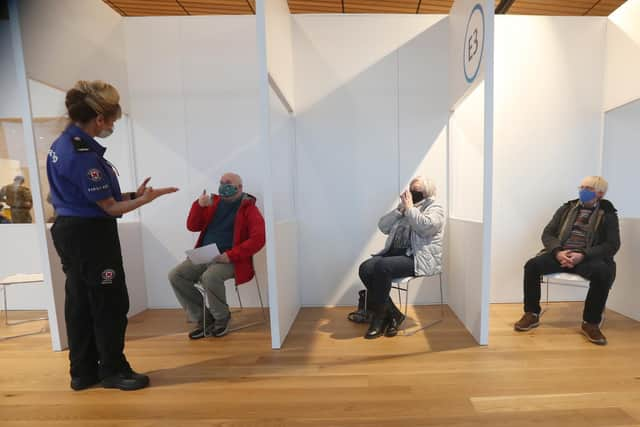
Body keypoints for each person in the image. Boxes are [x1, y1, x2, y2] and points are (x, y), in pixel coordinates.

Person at [47, 80, 178, 391]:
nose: (112, 126)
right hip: (90, 237)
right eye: (114, 121)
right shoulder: (82, 155)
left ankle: (82, 372)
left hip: (70, 231)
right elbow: (109, 208)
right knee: (109, 302)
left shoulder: (61, 145)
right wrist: (144, 200)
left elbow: (78, 197)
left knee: (80, 303)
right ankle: (113, 371)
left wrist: (133, 193)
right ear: (100, 119)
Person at [514, 176, 620, 346]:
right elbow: (548, 233)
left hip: (587, 257)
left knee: (603, 272)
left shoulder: (608, 214)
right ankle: (532, 314)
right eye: (582, 186)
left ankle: (590, 323)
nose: (582, 190)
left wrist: (583, 255)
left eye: (588, 188)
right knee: (532, 265)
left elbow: (612, 245)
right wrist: (557, 252)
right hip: (561, 253)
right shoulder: (566, 209)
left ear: (600, 193)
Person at [168, 173, 265, 339]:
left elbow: (259, 239)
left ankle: (222, 318)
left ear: (240, 188)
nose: (223, 186)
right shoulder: (212, 203)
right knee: (176, 275)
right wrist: (198, 206)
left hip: (231, 258)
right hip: (205, 255)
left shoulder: (249, 208)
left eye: (228, 183)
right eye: (221, 182)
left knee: (210, 277)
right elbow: (192, 226)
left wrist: (230, 255)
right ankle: (203, 318)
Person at [349, 177, 445, 339]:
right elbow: (383, 226)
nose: (412, 193)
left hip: (418, 257)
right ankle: (393, 314)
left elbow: (426, 227)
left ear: (426, 192)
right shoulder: (405, 208)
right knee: (365, 268)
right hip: (395, 255)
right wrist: (398, 211)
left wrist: (409, 209)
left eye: (417, 190)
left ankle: (379, 319)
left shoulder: (435, 208)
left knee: (383, 267)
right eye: (411, 189)